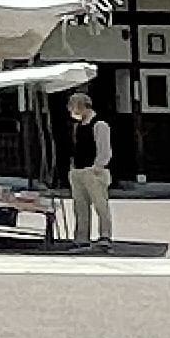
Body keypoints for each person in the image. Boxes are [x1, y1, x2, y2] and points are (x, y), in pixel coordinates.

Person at [61, 90, 118, 251]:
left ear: (82, 106)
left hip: (94, 171)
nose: (72, 111)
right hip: (78, 171)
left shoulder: (99, 124)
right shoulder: (78, 126)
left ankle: (105, 236)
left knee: (101, 205)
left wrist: (97, 167)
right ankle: (81, 237)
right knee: (80, 206)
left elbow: (104, 150)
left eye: (73, 107)